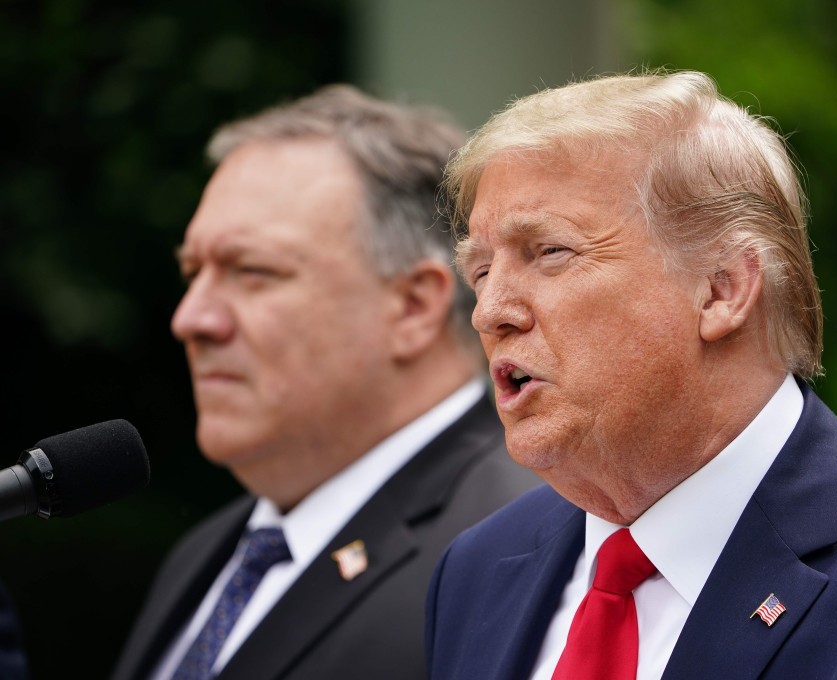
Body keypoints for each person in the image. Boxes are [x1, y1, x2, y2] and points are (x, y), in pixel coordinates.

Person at [425, 71, 837, 679]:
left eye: (550, 252)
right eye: (480, 271)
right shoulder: (475, 572)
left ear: (722, 289)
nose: (490, 311)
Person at [111, 84, 537, 680]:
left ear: (413, 307)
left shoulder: (524, 542)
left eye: (252, 272)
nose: (192, 319)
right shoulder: (210, 553)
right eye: (193, 272)